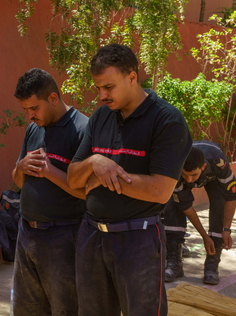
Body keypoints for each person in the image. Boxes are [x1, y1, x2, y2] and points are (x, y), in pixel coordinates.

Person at [67, 44, 191, 316]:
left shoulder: (166, 120)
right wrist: (94, 162)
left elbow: (160, 190)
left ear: (132, 77)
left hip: (139, 238)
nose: (101, 96)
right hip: (91, 235)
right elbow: (74, 179)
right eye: (98, 88)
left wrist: (103, 179)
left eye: (108, 87)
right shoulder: (101, 117)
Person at [11, 68, 88, 316]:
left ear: (53, 98)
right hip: (27, 234)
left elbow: (88, 193)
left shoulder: (82, 129)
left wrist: (50, 172)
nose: (30, 115)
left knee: (65, 308)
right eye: (26, 110)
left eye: (34, 108)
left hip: (63, 237)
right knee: (26, 309)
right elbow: (18, 182)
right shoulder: (34, 128)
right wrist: (20, 168)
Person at [162, 140, 236, 285]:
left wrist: (226, 229)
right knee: (172, 205)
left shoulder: (218, 162)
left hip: (214, 179)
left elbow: (231, 196)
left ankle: (212, 265)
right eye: (185, 175)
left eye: (194, 175)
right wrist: (204, 236)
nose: (189, 180)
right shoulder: (176, 168)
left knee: (219, 203)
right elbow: (186, 207)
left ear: (203, 167)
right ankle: (174, 263)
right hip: (183, 175)